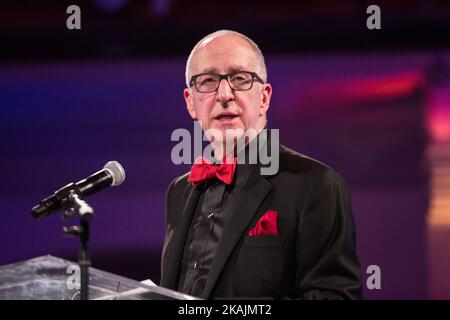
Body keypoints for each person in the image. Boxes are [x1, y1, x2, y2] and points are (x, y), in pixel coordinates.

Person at [160, 30, 362, 299]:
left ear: (264, 97)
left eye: (239, 79)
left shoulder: (316, 184)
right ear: (190, 102)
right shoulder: (179, 191)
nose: (224, 94)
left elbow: (336, 296)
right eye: (207, 81)